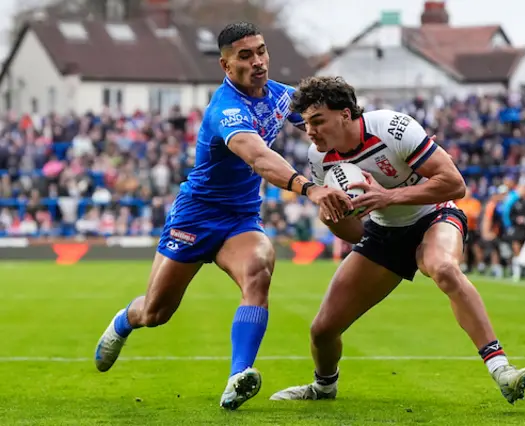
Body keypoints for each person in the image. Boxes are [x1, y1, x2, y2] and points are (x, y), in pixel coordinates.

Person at [93, 22, 351, 411]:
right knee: (156, 311)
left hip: (241, 218)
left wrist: (365, 142)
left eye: (261, 51)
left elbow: (324, 119)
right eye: (245, 56)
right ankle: (124, 321)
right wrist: (311, 187)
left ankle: (238, 376)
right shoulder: (225, 109)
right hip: (195, 218)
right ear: (226, 66)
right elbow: (259, 157)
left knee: (258, 270)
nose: (258, 61)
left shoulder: (282, 96)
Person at [269, 76, 525, 405]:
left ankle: (502, 370)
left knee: (444, 268)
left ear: (346, 114)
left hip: (433, 216)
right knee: (322, 331)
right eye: (307, 123)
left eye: (318, 121)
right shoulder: (319, 157)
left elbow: (454, 184)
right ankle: (323, 387)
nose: (310, 131)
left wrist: (389, 196)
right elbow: (355, 234)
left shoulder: (392, 127)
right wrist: (332, 216)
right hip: (383, 232)